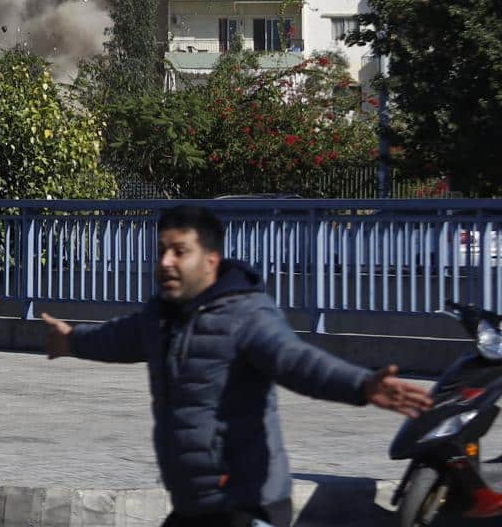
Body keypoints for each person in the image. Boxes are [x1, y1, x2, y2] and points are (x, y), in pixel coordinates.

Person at [40, 203, 433, 527]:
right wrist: (71, 340)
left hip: (246, 504)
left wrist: (361, 385)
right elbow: (115, 337)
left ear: (211, 260)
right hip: (195, 503)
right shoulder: (160, 317)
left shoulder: (247, 315)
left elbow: (296, 360)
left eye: (179, 251)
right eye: (161, 250)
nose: (165, 262)